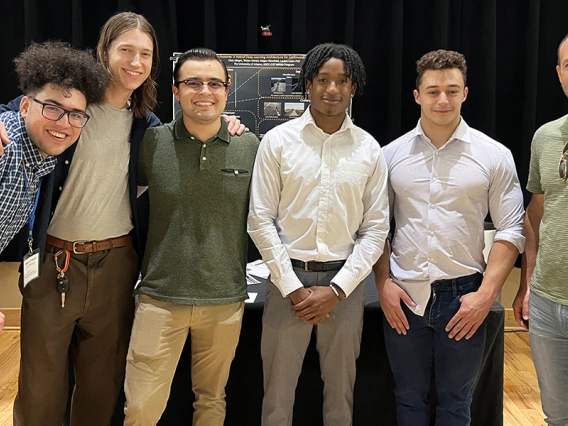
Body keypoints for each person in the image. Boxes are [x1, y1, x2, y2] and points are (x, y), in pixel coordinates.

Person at [0, 12, 244, 426]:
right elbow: (19, 112)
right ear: (104, 51)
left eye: (145, 54)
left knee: (101, 386)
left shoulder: (145, 126)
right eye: (126, 50)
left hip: (116, 263)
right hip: (52, 262)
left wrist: (229, 123)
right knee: (40, 386)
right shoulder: (70, 106)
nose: (135, 62)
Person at [375, 49, 525, 426]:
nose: (442, 100)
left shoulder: (494, 155)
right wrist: (383, 285)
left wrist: (486, 296)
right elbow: (375, 227)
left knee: (457, 403)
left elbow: (511, 228)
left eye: (452, 91)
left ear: (465, 93)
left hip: (465, 296)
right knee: (408, 400)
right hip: (404, 296)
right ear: (417, 96)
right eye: (433, 91)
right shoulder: (389, 156)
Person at [248, 43, 390, 426]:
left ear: (353, 87)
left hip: (346, 284)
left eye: (342, 81)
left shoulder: (369, 150)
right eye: (323, 80)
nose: (332, 89)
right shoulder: (278, 142)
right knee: (276, 396)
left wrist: (338, 289)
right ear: (308, 84)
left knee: (341, 396)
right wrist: (293, 288)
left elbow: (376, 229)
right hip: (285, 282)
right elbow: (259, 220)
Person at [122, 48, 259, 426]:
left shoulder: (250, 147)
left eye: (215, 83)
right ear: (175, 90)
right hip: (159, 298)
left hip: (224, 299)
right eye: (193, 82)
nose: (204, 91)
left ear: (227, 91)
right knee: (140, 408)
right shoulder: (151, 143)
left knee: (212, 401)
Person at [0, 41, 106, 254]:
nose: (64, 123)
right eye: (52, 108)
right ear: (25, 106)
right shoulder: (7, 150)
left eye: (75, 114)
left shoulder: (43, 160)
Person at [512, 33, 568, 426]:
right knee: (557, 416)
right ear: (559, 73)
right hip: (548, 302)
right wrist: (528, 283)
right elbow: (536, 213)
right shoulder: (546, 137)